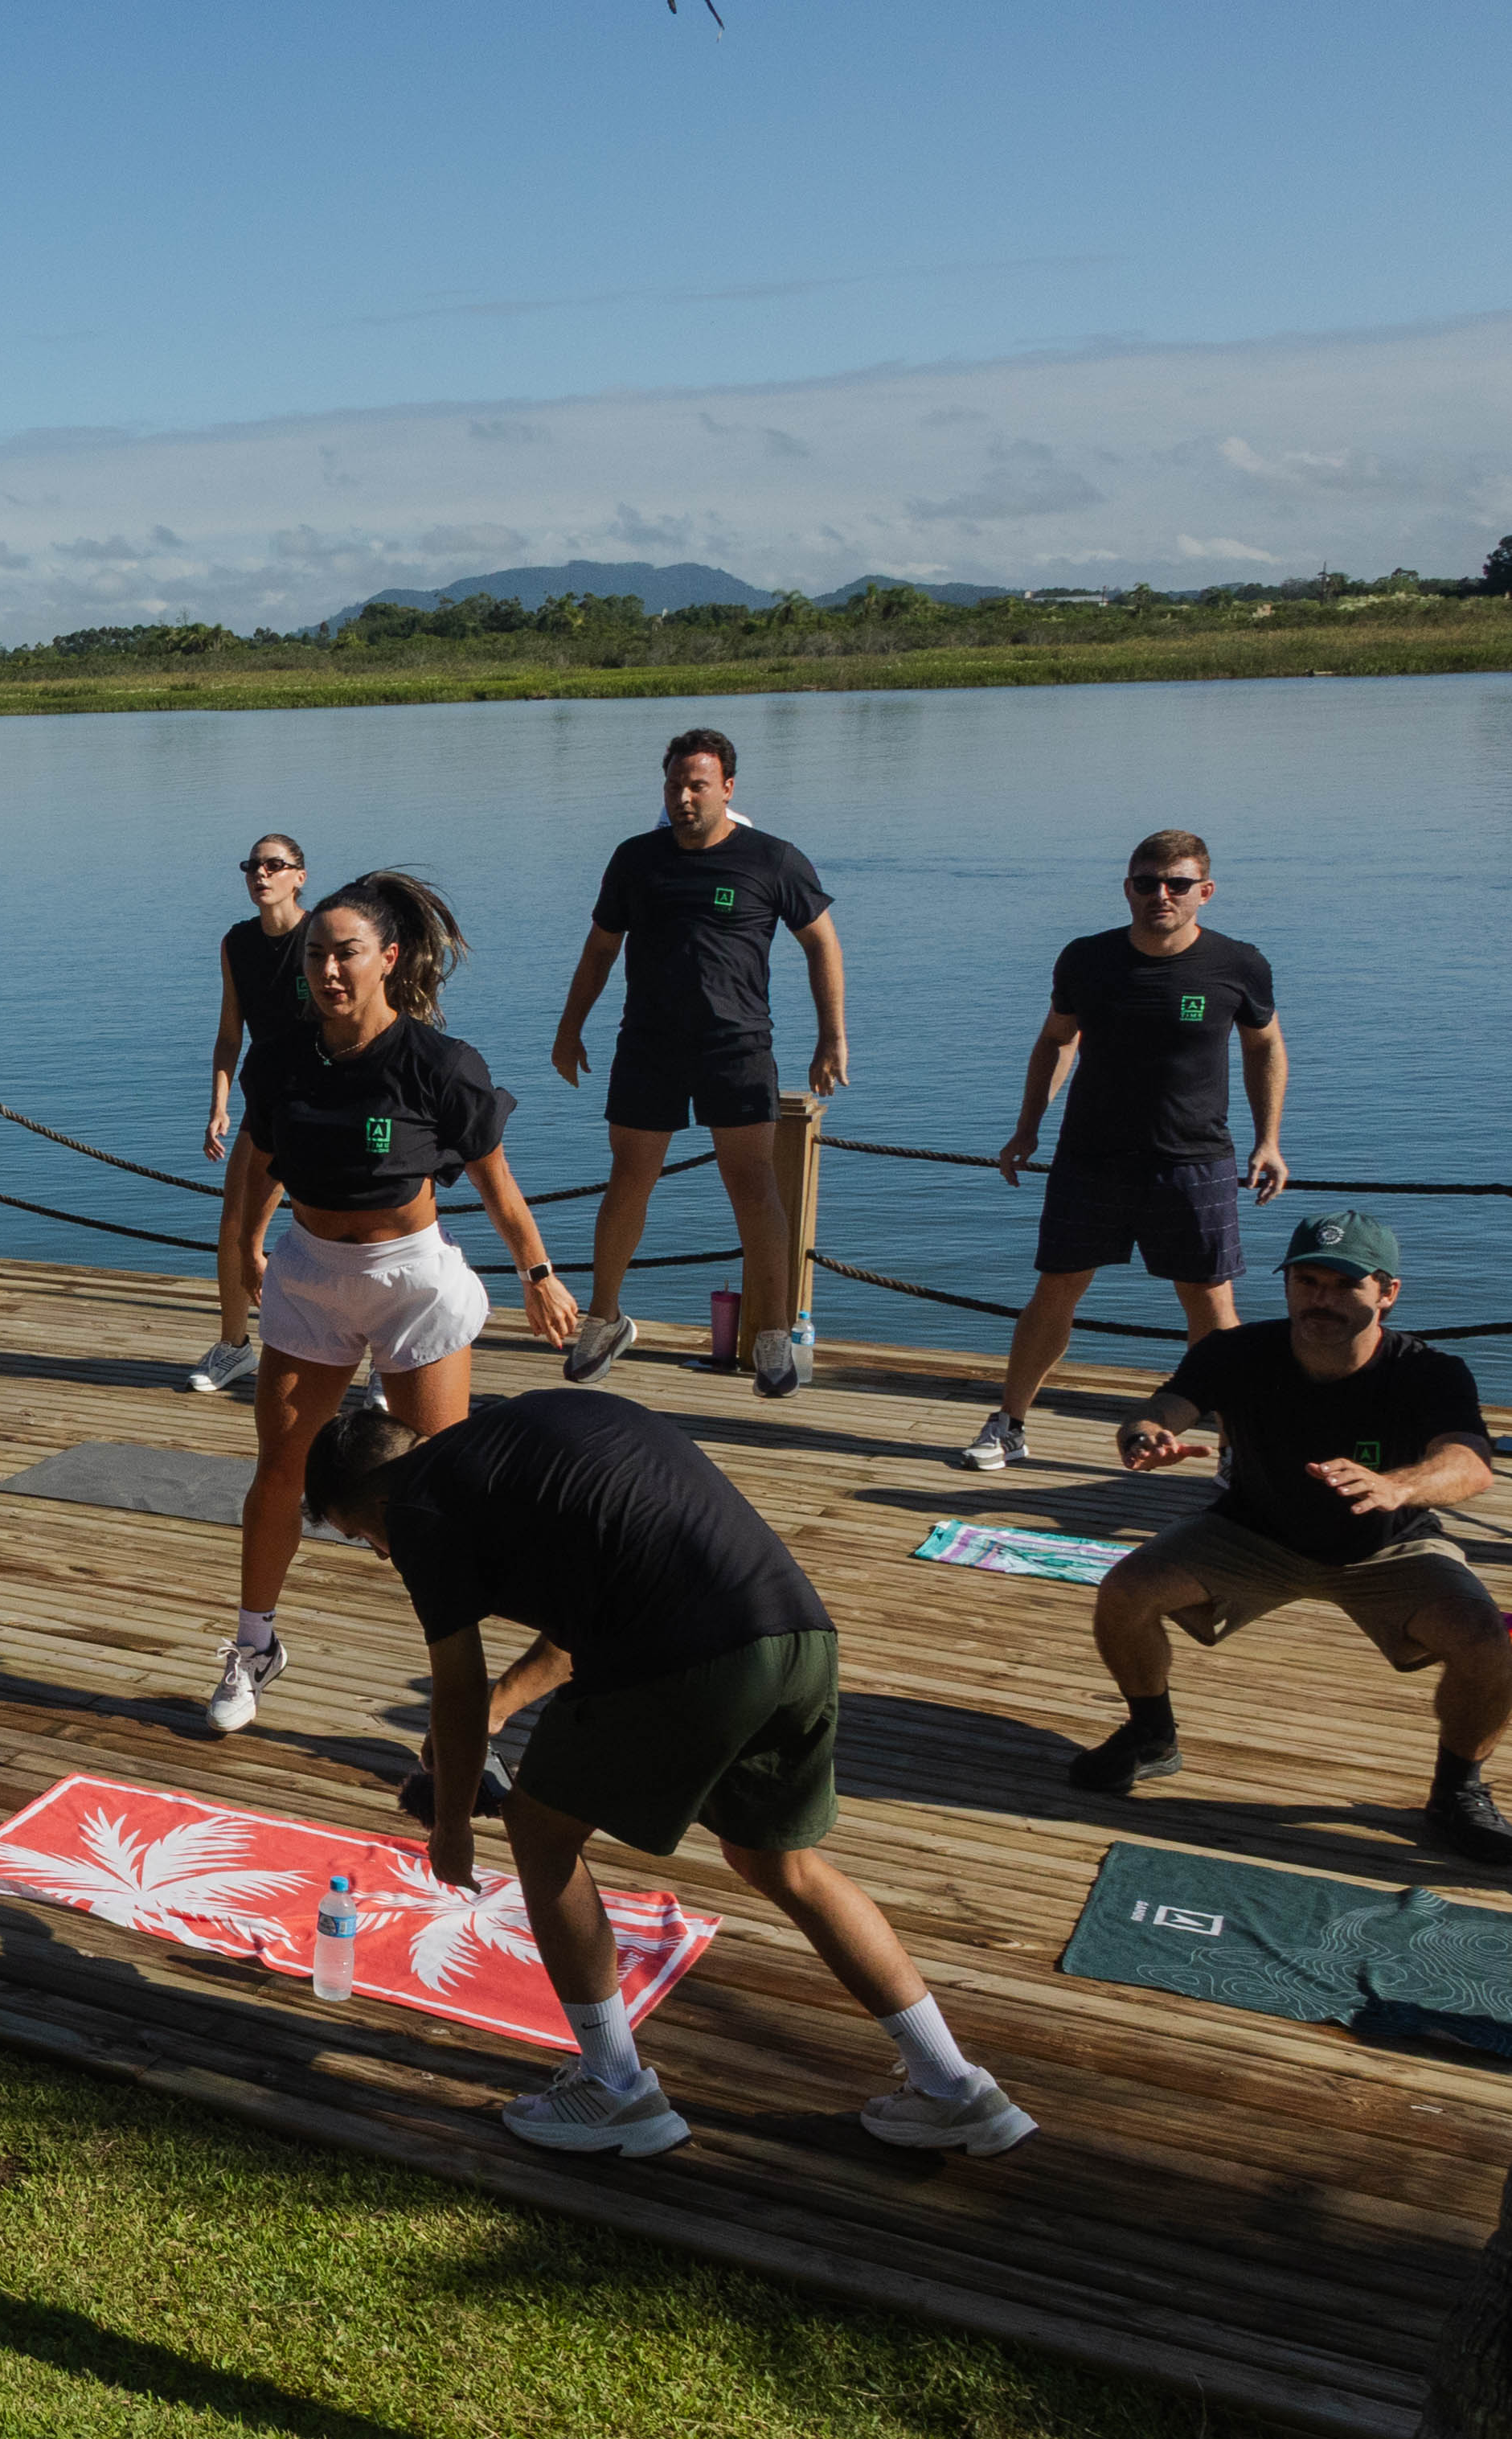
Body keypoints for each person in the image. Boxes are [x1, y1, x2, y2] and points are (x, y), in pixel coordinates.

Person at [303, 1393, 1036, 2159]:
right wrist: (500, 1709)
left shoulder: (418, 1505)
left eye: (363, 1536)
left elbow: (453, 1685)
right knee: (779, 1862)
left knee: (539, 1828)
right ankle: (956, 2089)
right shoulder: (524, 1435)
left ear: (376, 1501)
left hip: (687, 1654)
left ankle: (614, 2089)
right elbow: (575, 1624)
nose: (383, 1555)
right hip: (795, 1634)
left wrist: (450, 1828)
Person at [212, 871, 580, 1736]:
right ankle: (252, 1643)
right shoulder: (280, 1057)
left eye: (345, 954)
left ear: (388, 957)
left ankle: (463, 1705)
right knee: (281, 1469)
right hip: (308, 1275)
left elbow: (497, 1187)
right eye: (314, 956)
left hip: (412, 1282)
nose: (327, 971)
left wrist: (538, 1275)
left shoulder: (438, 1065)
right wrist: (241, 1243)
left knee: (432, 1498)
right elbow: (256, 1161)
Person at [1067, 1211, 1512, 1859]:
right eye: (1306, 1281)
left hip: (1389, 1545)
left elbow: (1470, 1464)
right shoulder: (1236, 1351)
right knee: (1125, 1590)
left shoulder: (1430, 1371)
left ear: (1387, 1293)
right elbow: (1162, 1407)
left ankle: (1457, 1792)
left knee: (1490, 1642)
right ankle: (1150, 1735)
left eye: (1343, 1285)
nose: (1320, 1300)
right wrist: (1145, 1437)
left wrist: (1398, 1486)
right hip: (1255, 1534)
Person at [959, 831, 1288, 1472]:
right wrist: (1027, 1127)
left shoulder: (1239, 964)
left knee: (1212, 1305)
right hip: (1091, 1157)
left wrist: (1269, 1140)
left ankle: (1233, 1448)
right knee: (1056, 1290)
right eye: (1146, 882)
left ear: (1205, 892)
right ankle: (1010, 1424)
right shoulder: (1087, 959)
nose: (1160, 895)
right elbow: (1056, 1041)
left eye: (1177, 884)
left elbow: (1264, 1047)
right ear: (1128, 887)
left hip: (1194, 1159)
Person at [547, 729, 846, 1399]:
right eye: (674, 786)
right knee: (629, 1178)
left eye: (697, 786)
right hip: (648, 1044)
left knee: (753, 1184)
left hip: (736, 1049)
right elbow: (598, 951)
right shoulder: (635, 860)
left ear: (728, 788)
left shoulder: (772, 860)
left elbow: (821, 942)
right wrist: (569, 1032)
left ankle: (772, 1334)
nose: (683, 798)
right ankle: (605, 1318)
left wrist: (832, 1038)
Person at [189, 834, 318, 1394]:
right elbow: (227, 1034)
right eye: (252, 866)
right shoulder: (236, 943)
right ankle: (234, 1347)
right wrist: (219, 1105)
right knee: (235, 1220)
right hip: (265, 1102)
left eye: (274, 866)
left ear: (299, 876)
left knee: (353, 1228)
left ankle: (386, 1367)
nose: (260, 875)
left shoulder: (325, 935)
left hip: (328, 1099)